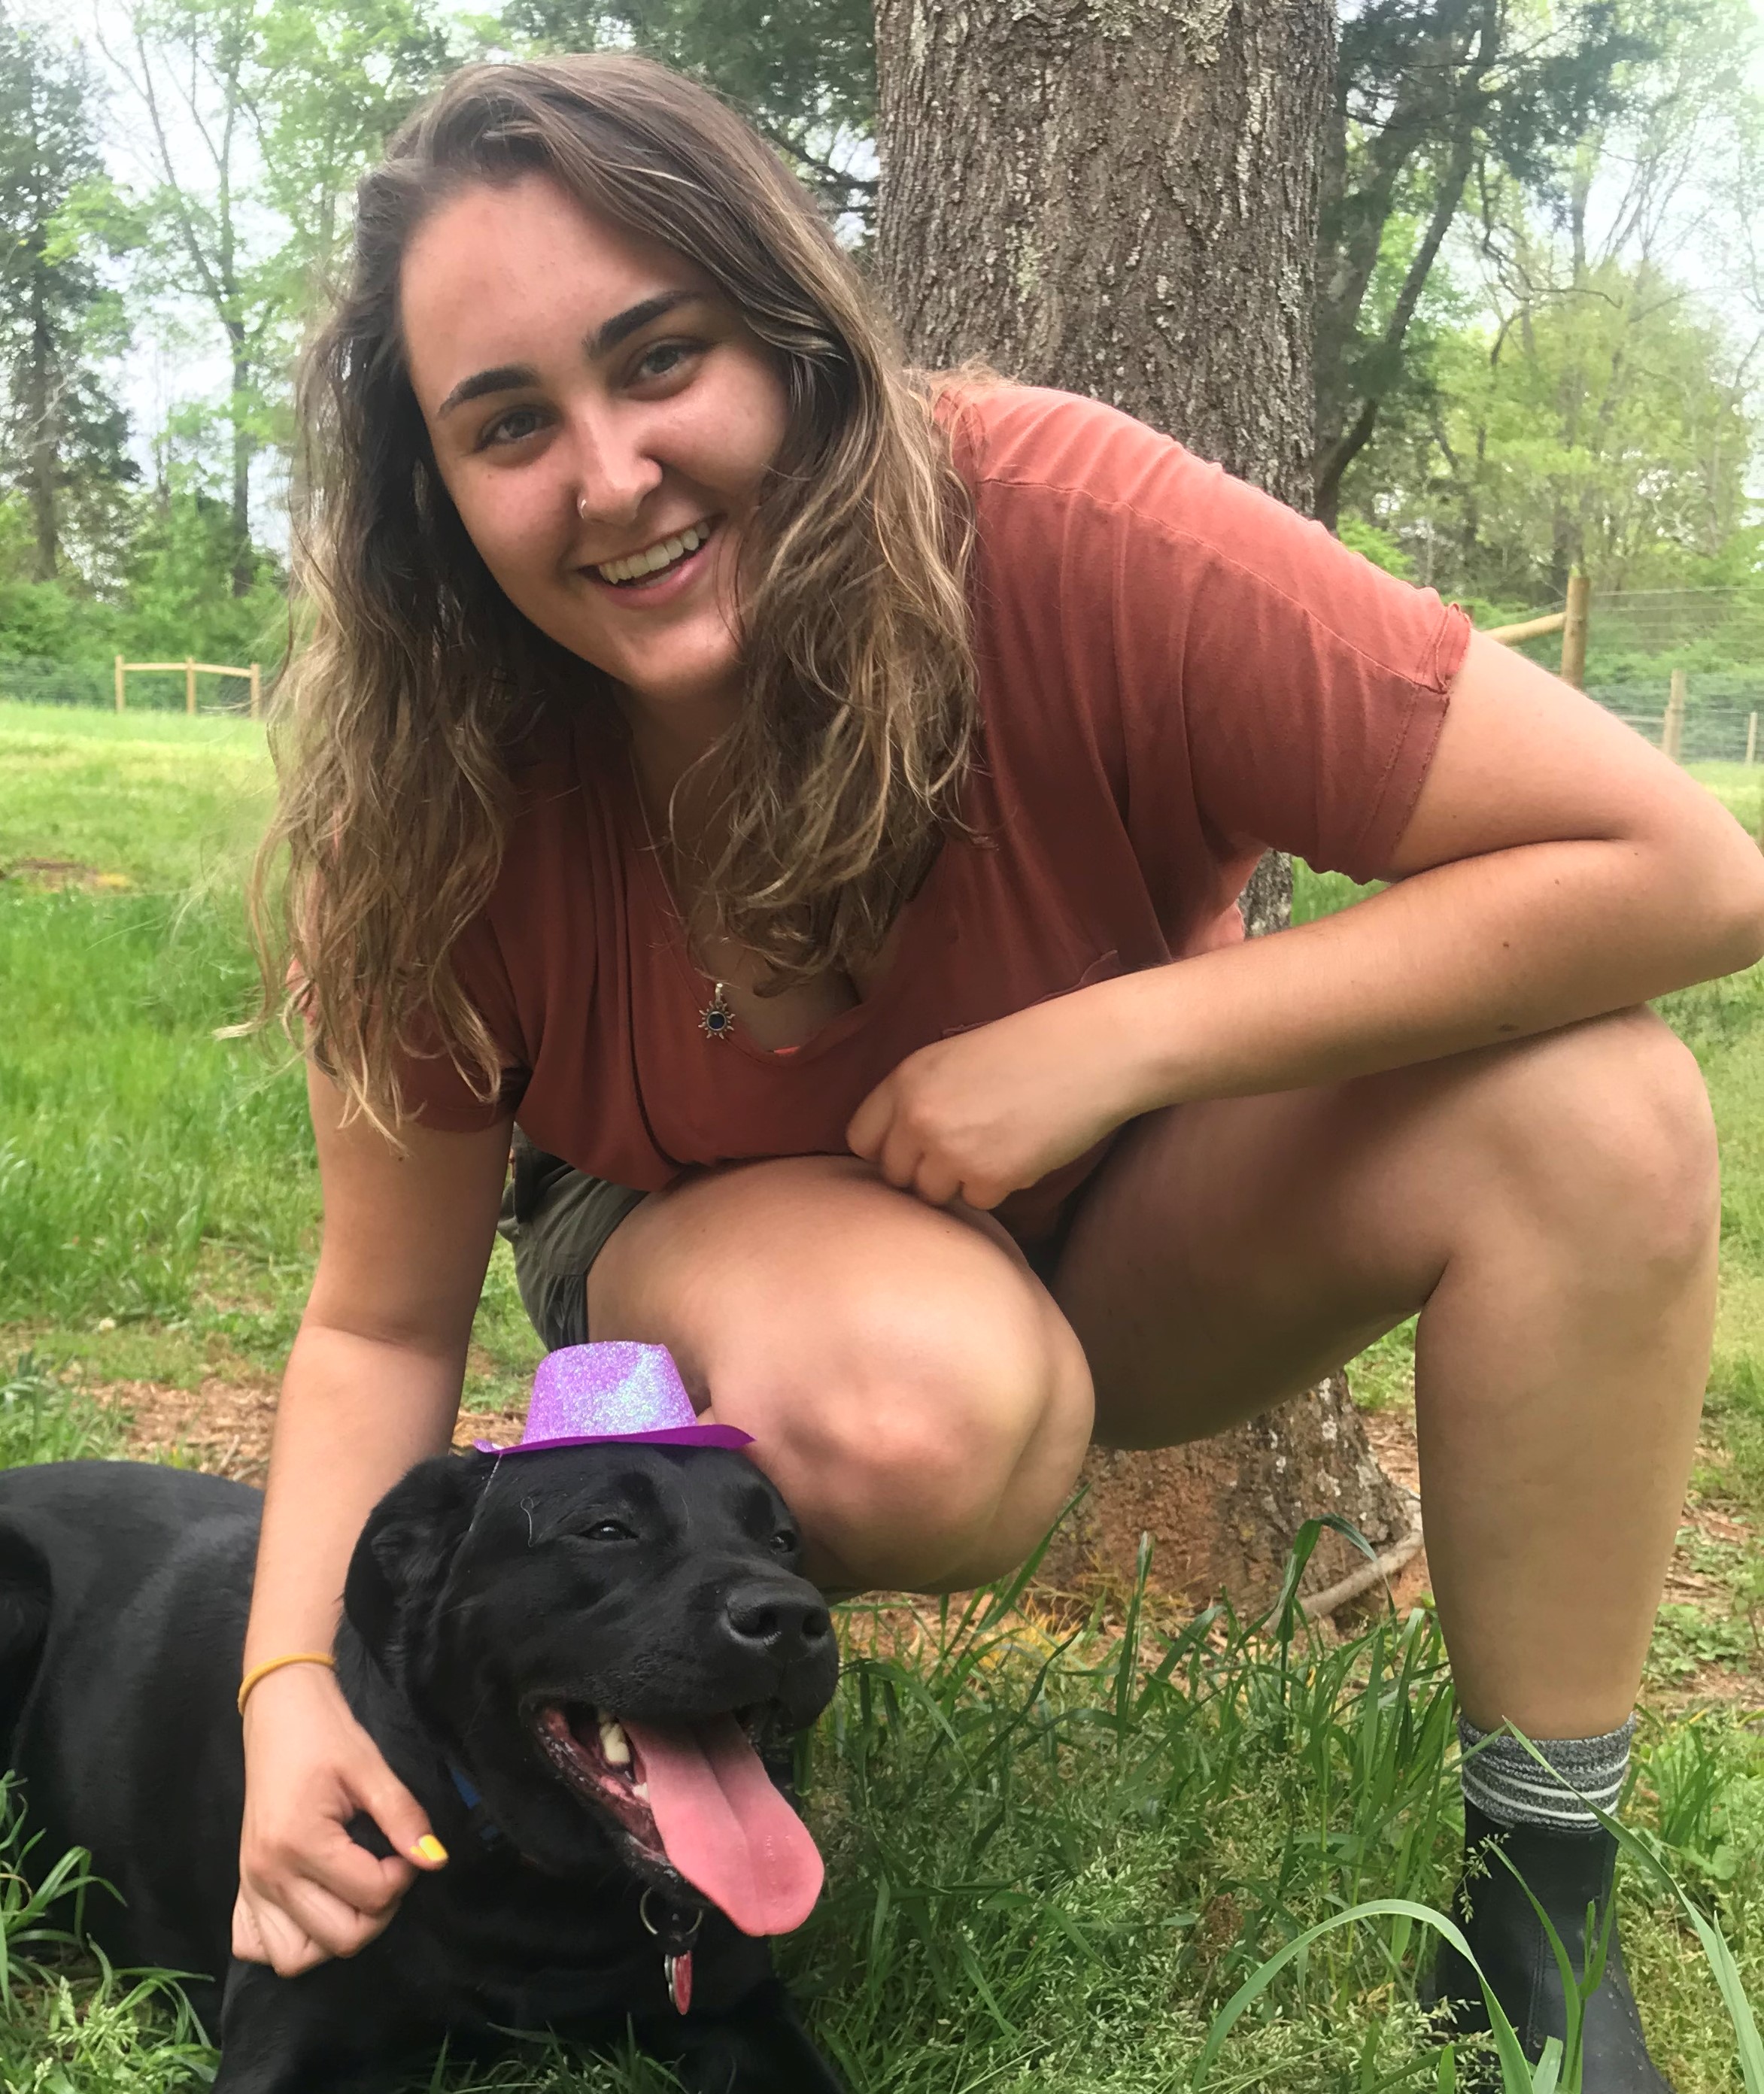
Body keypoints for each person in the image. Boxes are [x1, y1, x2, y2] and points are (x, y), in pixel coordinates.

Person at [232, 52, 1764, 2086]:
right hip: (723, 1262)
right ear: (436, 491)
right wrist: (288, 1691)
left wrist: (1113, 1040)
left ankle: (1536, 1920)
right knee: (917, 1405)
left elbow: (1679, 869)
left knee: (1601, 1106)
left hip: (1129, 1189)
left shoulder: (1057, 525)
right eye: (509, 427)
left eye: (657, 358)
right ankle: (674, 1731)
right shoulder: (433, 783)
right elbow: (375, 1319)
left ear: (785, 335)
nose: (609, 476)